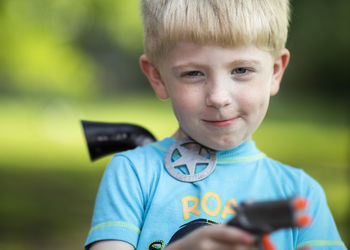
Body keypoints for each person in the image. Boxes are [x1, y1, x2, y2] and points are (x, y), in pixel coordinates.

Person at [84, 0, 347, 249]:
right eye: (193, 73)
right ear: (157, 77)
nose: (218, 97)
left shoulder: (300, 194)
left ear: (275, 71)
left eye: (241, 70)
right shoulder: (133, 174)